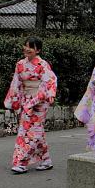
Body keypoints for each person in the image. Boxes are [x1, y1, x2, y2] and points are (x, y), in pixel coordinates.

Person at [4, 37, 57, 174]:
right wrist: (15, 99)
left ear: (38, 50)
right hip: (26, 99)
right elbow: (16, 83)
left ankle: (21, 162)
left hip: (40, 100)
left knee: (29, 131)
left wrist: (44, 96)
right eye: (26, 46)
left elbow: (50, 81)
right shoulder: (20, 64)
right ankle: (46, 160)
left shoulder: (42, 65)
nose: (27, 49)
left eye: (31, 47)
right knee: (34, 130)